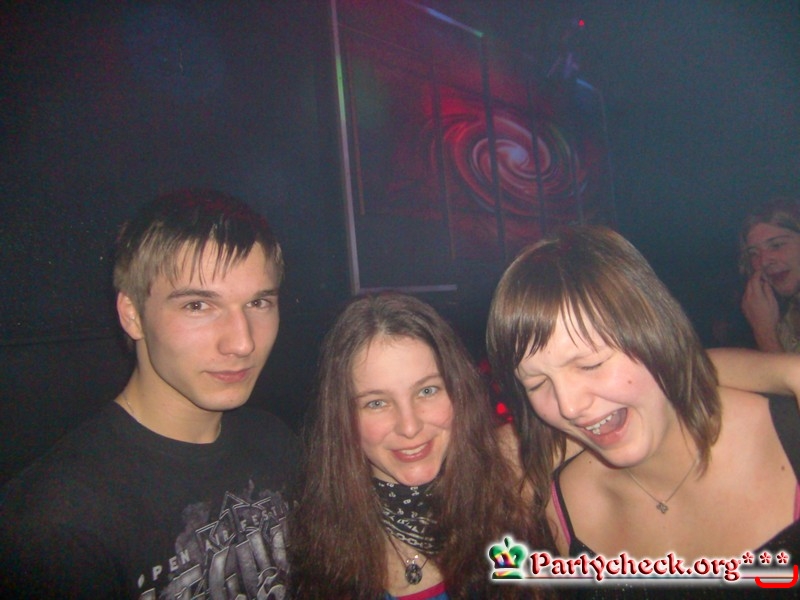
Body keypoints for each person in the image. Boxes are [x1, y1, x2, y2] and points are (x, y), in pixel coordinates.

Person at [0, 190, 299, 598]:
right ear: (132, 315)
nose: (242, 342)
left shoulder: (274, 441)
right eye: (198, 306)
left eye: (258, 302)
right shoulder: (58, 521)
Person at [486, 226, 800, 576]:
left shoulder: (789, 434)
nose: (569, 407)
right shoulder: (562, 507)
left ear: (655, 334)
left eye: (590, 364)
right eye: (537, 383)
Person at [289, 292, 548, 599]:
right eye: (376, 403)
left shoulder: (515, 479)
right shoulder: (308, 534)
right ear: (342, 418)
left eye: (427, 390)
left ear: (458, 390)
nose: (409, 427)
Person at [740, 196, 800, 352]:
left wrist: (764, 333)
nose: (764, 261)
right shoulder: (784, 314)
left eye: (777, 245)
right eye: (753, 253)